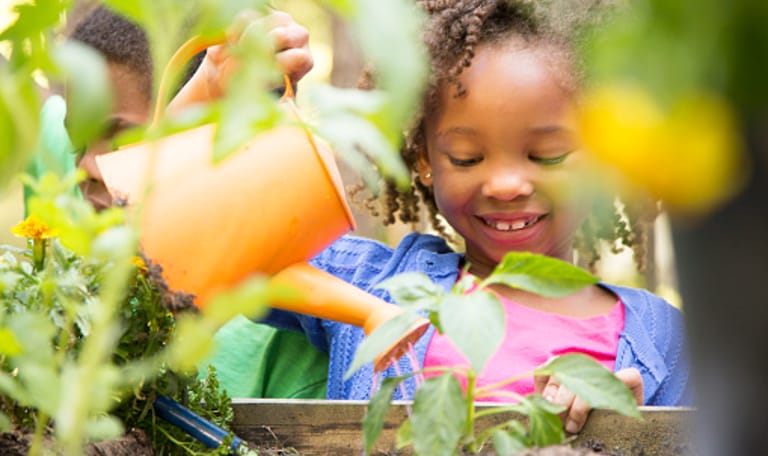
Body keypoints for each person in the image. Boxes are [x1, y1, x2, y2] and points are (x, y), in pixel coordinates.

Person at [263, 0, 691, 433]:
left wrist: (630, 431)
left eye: (549, 155)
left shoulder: (666, 342)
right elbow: (232, 255)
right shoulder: (372, 285)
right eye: (467, 159)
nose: (506, 185)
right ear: (424, 160)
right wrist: (237, 91)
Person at [24, 5, 329, 399]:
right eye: (77, 141)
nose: (84, 168)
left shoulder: (287, 339)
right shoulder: (69, 182)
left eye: (122, 141)